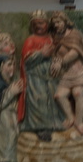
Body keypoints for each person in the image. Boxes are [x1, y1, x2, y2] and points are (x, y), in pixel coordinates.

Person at [18, 13, 63, 141]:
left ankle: (54, 125)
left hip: (51, 78)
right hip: (35, 80)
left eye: (41, 23)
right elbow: (26, 60)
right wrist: (41, 53)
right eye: (35, 24)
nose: (38, 26)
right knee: (40, 101)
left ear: (47, 24)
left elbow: (59, 54)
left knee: (54, 100)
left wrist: (57, 62)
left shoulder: (51, 38)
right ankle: (40, 127)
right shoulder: (30, 40)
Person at [49, 12, 83, 135]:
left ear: (65, 22)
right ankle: (70, 118)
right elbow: (56, 54)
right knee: (59, 96)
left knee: (77, 93)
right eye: (54, 23)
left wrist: (60, 62)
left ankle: (79, 122)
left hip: (79, 71)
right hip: (66, 73)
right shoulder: (56, 37)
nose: (56, 25)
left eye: (58, 22)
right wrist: (55, 63)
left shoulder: (74, 34)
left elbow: (75, 52)